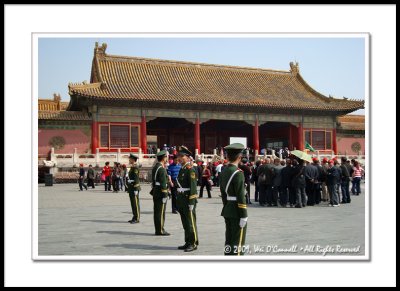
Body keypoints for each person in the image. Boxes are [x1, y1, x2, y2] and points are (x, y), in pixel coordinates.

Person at [219, 143, 248, 255]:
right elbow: (241, 196)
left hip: (228, 209)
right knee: (238, 242)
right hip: (237, 211)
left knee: (229, 238)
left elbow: (223, 193)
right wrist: (244, 214)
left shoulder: (224, 171)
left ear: (227, 157)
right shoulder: (238, 173)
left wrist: (226, 205)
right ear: (240, 157)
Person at [176, 146, 199, 252]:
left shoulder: (190, 169)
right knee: (185, 222)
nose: (179, 158)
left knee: (190, 222)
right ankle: (188, 241)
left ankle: (193, 242)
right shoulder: (182, 168)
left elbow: (193, 188)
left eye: (182, 156)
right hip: (181, 199)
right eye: (178, 156)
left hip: (187, 199)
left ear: (188, 157)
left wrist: (191, 202)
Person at [151, 150, 170, 236]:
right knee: (161, 212)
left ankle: (158, 229)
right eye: (166, 157)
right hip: (161, 192)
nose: (167, 159)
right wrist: (165, 194)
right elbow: (163, 183)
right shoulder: (161, 169)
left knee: (157, 211)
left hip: (156, 191)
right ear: (163, 158)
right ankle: (160, 230)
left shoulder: (156, 167)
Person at [127, 154, 141, 224]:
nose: (129, 160)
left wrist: (135, 188)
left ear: (133, 159)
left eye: (130, 159)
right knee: (133, 203)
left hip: (134, 187)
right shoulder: (132, 167)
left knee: (135, 203)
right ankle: (134, 216)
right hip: (131, 188)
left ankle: (137, 218)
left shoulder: (135, 168)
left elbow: (136, 179)